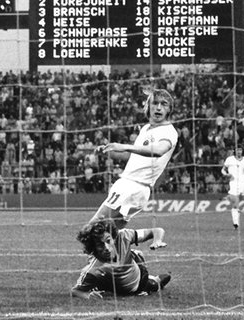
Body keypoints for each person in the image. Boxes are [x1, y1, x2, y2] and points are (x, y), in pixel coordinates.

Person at [90, 88, 178, 229]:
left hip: (132, 186)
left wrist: (124, 146)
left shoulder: (169, 131)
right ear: (148, 106)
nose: (159, 107)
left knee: (92, 229)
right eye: (155, 103)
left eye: (164, 104)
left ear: (169, 109)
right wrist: (109, 152)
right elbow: (132, 156)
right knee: (111, 235)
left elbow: (158, 151)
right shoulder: (146, 129)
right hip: (135, 188)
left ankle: (144, 238)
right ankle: (131, 251)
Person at [71, 219, 171, 299]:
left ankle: (155, 280)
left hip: (139, 276)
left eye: (108, 241)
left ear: (113, 237)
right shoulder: (93, 269)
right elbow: (75, 291)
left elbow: (157, 230)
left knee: (153, 284)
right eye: (100, 245)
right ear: (93, 247)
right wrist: (87, 296)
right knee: (98, 283)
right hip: (117, 287)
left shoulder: (124, 236)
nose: (106, 247)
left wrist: (157, 240)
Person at [221, 147, 244, 230]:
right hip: (234, 183)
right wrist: (226, 174)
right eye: (237, 150)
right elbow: (223, 170)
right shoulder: (229, 159)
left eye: (240, 150)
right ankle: (236, 224)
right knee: (235, 204)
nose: (239, 151)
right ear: (234, 151)